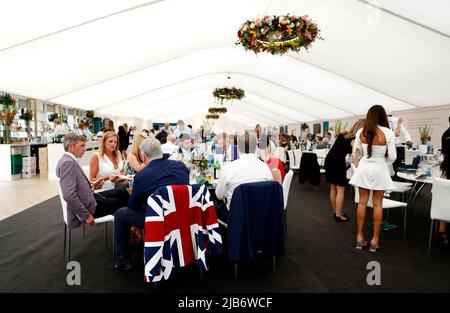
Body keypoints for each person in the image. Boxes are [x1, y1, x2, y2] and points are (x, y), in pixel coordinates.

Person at [113, 138, 189, 271]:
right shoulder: (181, 167)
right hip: (180, 215)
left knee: (120, 214)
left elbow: (134, 205)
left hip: (156, 219)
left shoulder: (142, 175)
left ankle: (122, 261)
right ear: (160, 150)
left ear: (143, 155)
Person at [56, 133, 129, 229]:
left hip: (90, 198)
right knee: (121, 201)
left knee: (121, 192)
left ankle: (132, 228)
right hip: (90, 207)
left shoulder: (69, 160)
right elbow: (68, 195)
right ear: (71, 147)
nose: (85, 149)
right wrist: (86, 215)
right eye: (82, 146)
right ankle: (131, 230)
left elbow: (77, 186)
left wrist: (93, 185)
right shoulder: (68, 163)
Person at [349, 105, 397, 252]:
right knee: (377, 205)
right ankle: (375, 240)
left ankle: (359, 237)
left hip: (363, 169)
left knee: (362, 203)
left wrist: (362, 163)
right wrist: (383, 162)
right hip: (380, 171)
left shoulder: (360, 132)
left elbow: (356, 154)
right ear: (383, 116)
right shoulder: (388, 133)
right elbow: (393, 157)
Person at [215, 132, 274, 222]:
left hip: (236, 215)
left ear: (238, 148)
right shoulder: (265, 168)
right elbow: (270, 192)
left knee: (214, 202)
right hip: (260, 215)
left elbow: (219, 195)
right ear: (255, 148)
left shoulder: (229, 168)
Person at [324, 120, 365, 222]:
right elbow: (355, 156)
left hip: (329, 159)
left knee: (333, 187)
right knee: (341, 189)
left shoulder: (344, 134)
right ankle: (338, 214)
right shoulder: (354, 140)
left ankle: (336, 212)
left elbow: (334, 147)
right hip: (338, 162)